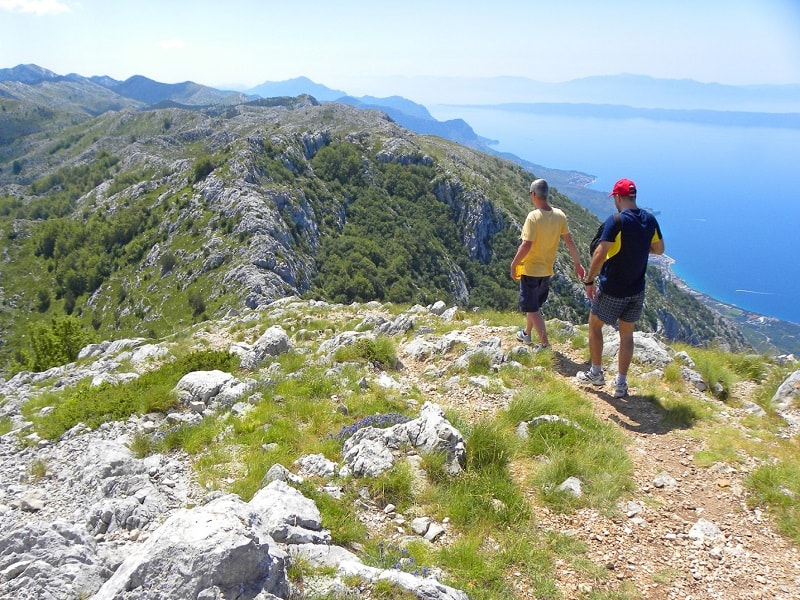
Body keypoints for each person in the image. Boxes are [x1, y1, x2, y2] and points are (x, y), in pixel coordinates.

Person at [576, 178, 664, 398]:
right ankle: (621, 384)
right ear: (633, 196)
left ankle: (596, 373)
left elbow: (599, 253)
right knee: (627, 335)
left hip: (614, 288)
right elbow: (659, 249)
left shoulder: (616, 221)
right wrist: (638, 248)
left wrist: (589, 280)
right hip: (637, 289)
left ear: (617, 197)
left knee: (594, 326)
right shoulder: (650, 219)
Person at [510, 178, 585, 350]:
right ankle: (527, 334)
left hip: (531, 270)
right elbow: (569, 241)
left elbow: (526, 244)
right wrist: (577, 263)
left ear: (534, 194)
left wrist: (514, 264)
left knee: (532, 307)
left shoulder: (533, 217)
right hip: (547, 270)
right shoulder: (559, 215)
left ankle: (545, 345)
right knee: (534, 305)